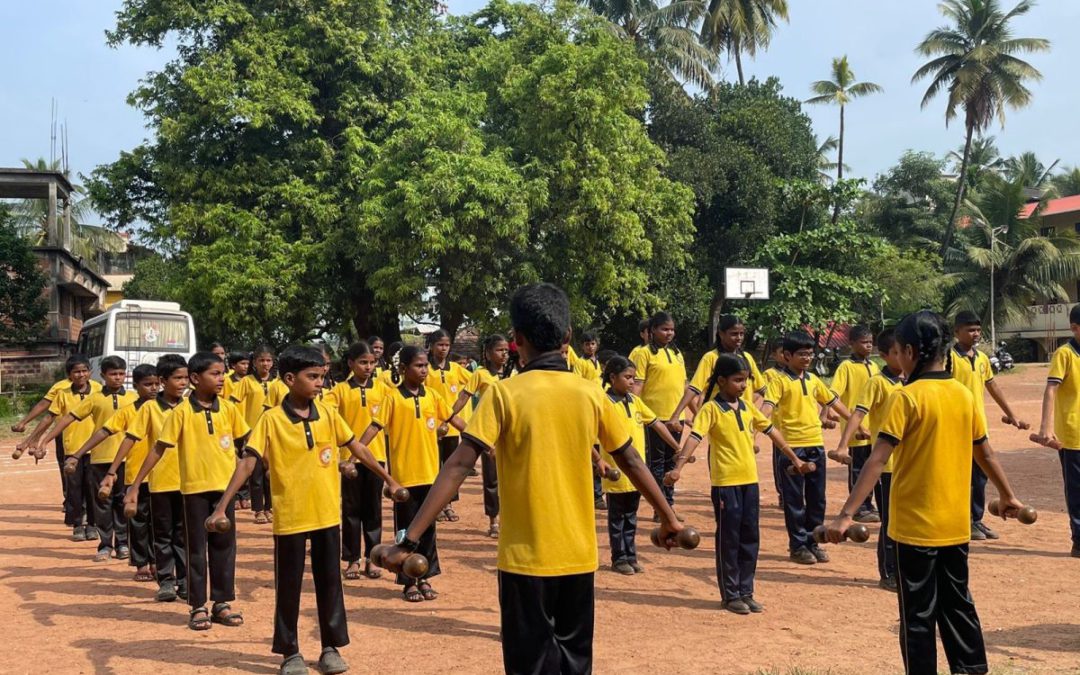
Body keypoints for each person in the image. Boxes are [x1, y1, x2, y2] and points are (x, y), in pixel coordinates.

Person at [375, 283, 686, 674]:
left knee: (528, 666)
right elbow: (632, 460)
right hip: (578, 558)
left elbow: (457, 465)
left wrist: (409, 539)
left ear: (516, 340)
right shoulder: (591, 394)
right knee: (575, 663)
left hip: (524, 562)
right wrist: (669, 518)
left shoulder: (505, 395)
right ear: (568, 338)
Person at [826, 310, 1026, 675]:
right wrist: (1008, 494)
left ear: (908, 351)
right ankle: (971, 670)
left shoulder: (907, 397)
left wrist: (844, 514)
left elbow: (877, 459)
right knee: (959, 605)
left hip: (914, 527)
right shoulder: (963, 395)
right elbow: (985, 451)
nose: (897, 359)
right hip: (954, 523)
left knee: (917, 614)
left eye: (898, 352)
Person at [207, 345, 403, 675]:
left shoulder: (327, 413)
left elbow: (357, 446)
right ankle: (290, 652)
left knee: (330, 583)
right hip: (291, 517)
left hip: (327, 513)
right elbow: (248, 462)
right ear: (289, 379)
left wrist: (389, 479)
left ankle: (331, 647)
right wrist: (222, 507)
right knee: (289, 586)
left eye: (322, 377)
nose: (319, 384)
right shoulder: (271, 419)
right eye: (312, 377)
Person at [666, 353, 809, 614]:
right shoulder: (710, 408)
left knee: (750, 537)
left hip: (749, 483)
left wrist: (795, 459)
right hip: (726, 484)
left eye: (745, 381)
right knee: (729, 538)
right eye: (738, 380)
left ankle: (746, 590)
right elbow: (695, 437)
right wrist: (678, 467)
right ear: (721, 381)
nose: (743, 386)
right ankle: (730, 594)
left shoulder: (746, 406)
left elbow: (772, 432)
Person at [124, 351, 250, 631]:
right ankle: (197, 605)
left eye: (223, 373)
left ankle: (221, 602)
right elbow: (159, 447)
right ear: (195, 378)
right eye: (215, 374)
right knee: (195, 550)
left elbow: (246, 445)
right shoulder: (180, 412)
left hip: (225, 491)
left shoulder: (229, 408)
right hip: (193, 491)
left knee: (225, 549)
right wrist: (134, 486)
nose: (221, 379)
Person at [354, 345, 466, 602]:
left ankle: (424, 577)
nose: (424, 370)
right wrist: (356, 451)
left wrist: (483, 440)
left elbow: (455, 421)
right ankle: (408, 582)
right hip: (404, 479)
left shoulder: (434, 397)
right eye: (418, 365)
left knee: (428, 530)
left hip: (431, 476)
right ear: (403, 369)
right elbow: (374, 427)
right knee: (405, 532)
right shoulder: (392, 398)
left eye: (426, 365)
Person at [761, 331, 852, 565]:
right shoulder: (779, 381)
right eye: (802, 354)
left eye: (810, 354)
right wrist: (754, 430)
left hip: (816, 446)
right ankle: (798, 545)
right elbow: (766, 408)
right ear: (787, 355)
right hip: (792, 450)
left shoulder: (813, 380)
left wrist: (855, 422)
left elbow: (833, 402)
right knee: (794, 500)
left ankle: (814, 542)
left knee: (817, 499)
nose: (807, 358)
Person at [38, 356, 139, 559]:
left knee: (122, 502)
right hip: (100, 457)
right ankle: (104, 544)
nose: (117, 378)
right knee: (102, 503)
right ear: (103, 376)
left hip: (128, 459)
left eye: (121, 373)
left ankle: (122, 543)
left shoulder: (134, 398)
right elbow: (69, 417)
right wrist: (45, 439)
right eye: (113, 374)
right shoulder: (95, 398)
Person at [69, 364, 159, 578]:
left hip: (164, 475)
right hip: (133, 471)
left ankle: (160, 565)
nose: (154, 388)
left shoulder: (171, 409)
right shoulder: (129, 410)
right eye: (148, 384)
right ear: (136, 386)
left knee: (160, 523)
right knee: (136, 520)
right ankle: (139, 563)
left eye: (157, 383)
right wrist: (78, 454)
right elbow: (105, 432)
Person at [833, 329, 905, 591]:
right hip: (887, 465)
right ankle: (888, 573)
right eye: (896, 352)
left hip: (909, 463)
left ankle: (904, 570)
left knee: (907, 520)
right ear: (885, 355)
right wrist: (843, 445)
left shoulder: (911, 381)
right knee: (890, 522)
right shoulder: (877, 382)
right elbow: (857, 414)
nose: (902, 356)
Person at [951, 311, 1028, 541]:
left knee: (979, 477)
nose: (975, 334)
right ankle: (959, 520)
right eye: (970, 330)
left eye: (977, 330)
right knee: (958, 476)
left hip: (977, 427)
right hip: (954, 427)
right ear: (957, 332)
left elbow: (992, 386)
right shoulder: (949, 358)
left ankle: (975, 520)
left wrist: (1011, 414)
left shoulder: (982, 358)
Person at [600, 356, 681, 575]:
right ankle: (619, 558)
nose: (631, 382)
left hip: (637, 472)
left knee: (631, 516)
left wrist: (676, 447)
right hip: (617, 471)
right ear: (612, 377)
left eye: (633, 378)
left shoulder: (635, 401)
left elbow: (657, 425)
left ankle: (631, 555)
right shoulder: (603, 402)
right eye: (627, 377)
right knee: (617, 517)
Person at [120, 354, 191, 602]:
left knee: (184, 536)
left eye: (186, 378)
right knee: (163, 535)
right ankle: (166, 581)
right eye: (178, 378)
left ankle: (185, 581)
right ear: (163, 380)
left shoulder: (191, 406)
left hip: (188, 482)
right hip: (160, 481)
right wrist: (117, 475)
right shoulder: (149, 408)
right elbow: (132, 437)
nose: (184, 383)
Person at [324, 341, 391, 580]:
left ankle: (373, 559)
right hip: (348, 461)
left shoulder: (383, 389)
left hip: (376, 457)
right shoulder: (339, 390)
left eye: (372, 362)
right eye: (363, 362)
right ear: (351, 363)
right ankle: (352, 559)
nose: (368, 367)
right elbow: (325, 415)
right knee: (351, 511)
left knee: (373, 510)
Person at [22, 355, 100, 539]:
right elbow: (50, 416)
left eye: (84, 371)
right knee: (73, 488)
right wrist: (38, 439)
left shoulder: (99, 390)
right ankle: (77, 524)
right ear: (69, 375)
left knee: (92, 488)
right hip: (71, 447)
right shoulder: (63, 394)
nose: (81, 375)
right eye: (76, 372)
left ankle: (93, 524)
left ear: (90, 372)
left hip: (96, 447)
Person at [450, 334, 512, 538]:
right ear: (487, 353)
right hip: (490, 432)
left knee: (513, 477)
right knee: (492, 478)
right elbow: (464, 396)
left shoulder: (514, 373)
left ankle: (513, 520)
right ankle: (494, 520)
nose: (504, 354)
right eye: (499, 350)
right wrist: (449, 416)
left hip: (511, 431)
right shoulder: (480, 374)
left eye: (505, 350)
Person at [1032, 304, 1080, 557]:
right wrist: (1045, 427)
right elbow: (1051, 389)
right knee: (1077, 490)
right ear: (1074, 328)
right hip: (1073, 435)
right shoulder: (1065, 354)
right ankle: (1079, 540)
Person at [630, 311, 687, 512]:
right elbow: (636, 385)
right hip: (654, 417)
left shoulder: (677, 354)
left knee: (673, 461)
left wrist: (692, 411)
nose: (669, 333)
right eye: (664, 329)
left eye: (672, 329)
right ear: (652, 330)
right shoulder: (643, 353)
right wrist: (630, 410)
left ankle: (669, 503)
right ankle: (660, 507)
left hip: (676, 418)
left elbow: (684, 385)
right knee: (656, 463)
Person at [830, 325, 881, 523]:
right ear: (851, 344)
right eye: (863, 342)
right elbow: (834, 394)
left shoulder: (874, 366)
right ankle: (859, 506)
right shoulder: (846, 367)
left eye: (870, 342)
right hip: (856, 429)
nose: (868, 346)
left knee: (874, 467)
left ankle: (869, 504)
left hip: (874, 428)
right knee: (858, 469)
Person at [671, 315, 765, 420]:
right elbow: (694, 388)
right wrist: (676, 415)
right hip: (720, 419)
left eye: (741, 334)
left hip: (745, 419)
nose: (739, 338)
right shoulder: (711, 358)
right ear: (721, 334)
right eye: (734, 334)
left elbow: (762, 389)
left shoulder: (747, 358)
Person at [425, 330, 472, 524]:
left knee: (451, 467)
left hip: (451, 427)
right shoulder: (425, 368)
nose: (443, 349)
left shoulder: (455, 368)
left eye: (446, 345)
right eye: (440, 345)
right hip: (431, 428)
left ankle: (448, 504)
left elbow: (473, 382)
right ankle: (434, 506)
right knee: (433, 466)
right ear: (432, 346)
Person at [229, 345, 276, 524]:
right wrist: (242, 430)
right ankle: (258, 510)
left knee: (270, 473)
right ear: (254, 362)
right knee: (255, 474)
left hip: (272, 433)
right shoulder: (246, 381)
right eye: (261, 360)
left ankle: (270, 507)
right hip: (252, 433)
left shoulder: (277, 382)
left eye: (269, 360)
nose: (265, 364)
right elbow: (232, 404)